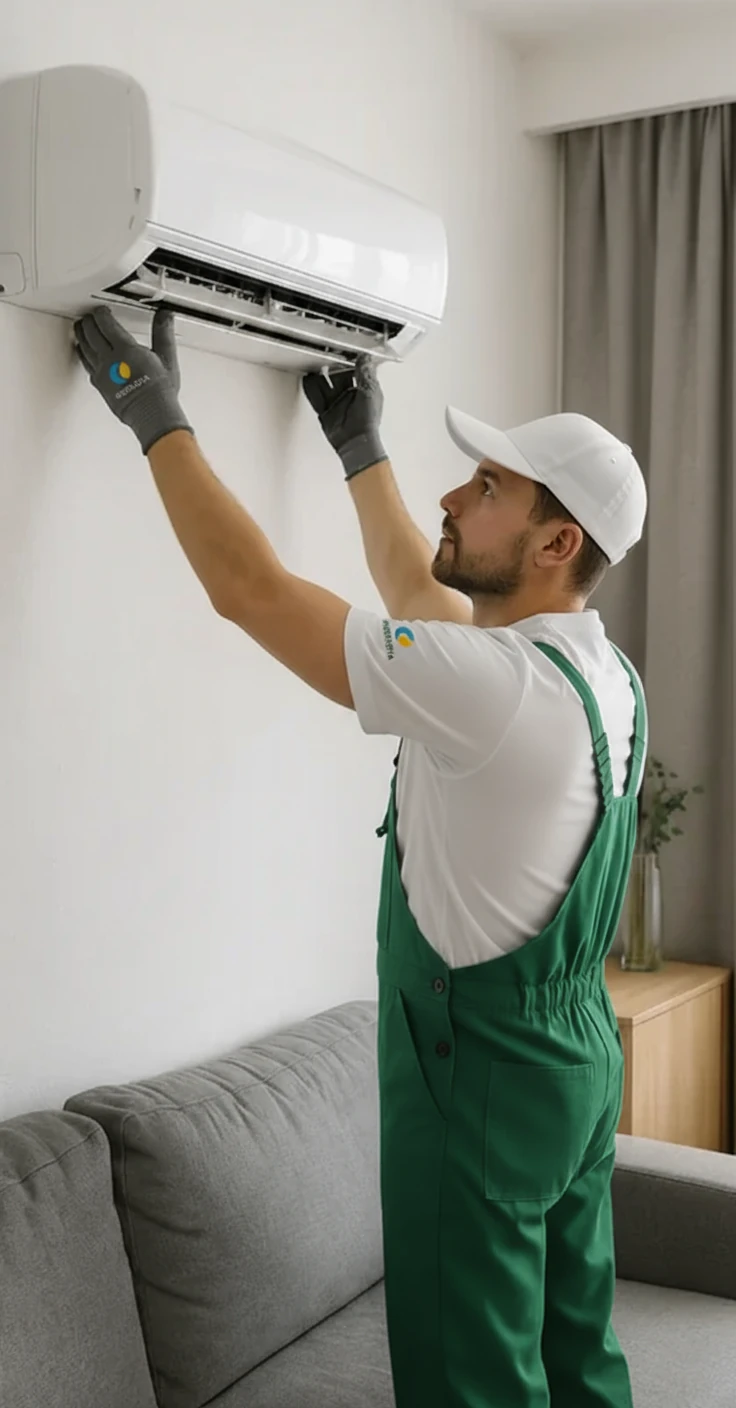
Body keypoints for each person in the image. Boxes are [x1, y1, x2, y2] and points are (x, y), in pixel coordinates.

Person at [74, 306, 648, 1408]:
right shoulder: (597, 674)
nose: (451, 495)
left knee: (466, 1382)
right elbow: (423, 605)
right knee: (577, 1361)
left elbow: (251, 592)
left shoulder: (494, 691)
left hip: (473, 1075)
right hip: (569, 1067)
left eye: (485, 488)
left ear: (554, 542)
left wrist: (153, 414)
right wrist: (360, 453)